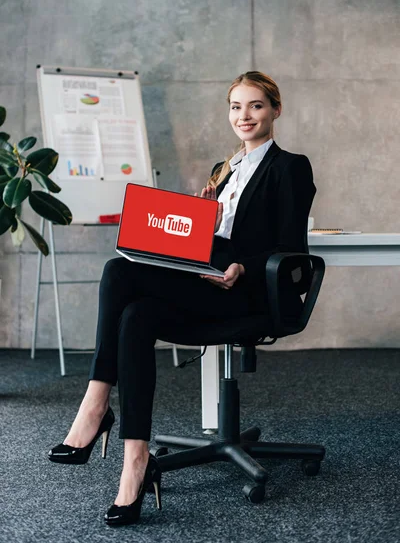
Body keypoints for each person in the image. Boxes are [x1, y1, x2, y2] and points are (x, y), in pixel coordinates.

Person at [48, 71, 316, 527]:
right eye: (235, 106)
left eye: (255, 105)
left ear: (275, 110)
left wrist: (244, 267)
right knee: (135, 315)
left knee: (117, 272)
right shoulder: (223, 168)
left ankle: (95, 408)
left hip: (246, 293)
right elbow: (209, 241)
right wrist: (201, 220)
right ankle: (135, 463)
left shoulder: (289, 166)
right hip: (205, 280)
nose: (244, 115)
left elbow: (291, 247)